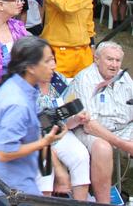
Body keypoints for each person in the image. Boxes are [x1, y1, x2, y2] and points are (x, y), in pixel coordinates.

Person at [0, 36, 66, 203]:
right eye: (47, 61)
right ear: (30, 67)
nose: (53, 66)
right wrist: (44, 142)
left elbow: (31, 125)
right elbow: (6, 151)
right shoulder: (17, 102)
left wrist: (58, 168)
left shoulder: (19, 85)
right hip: (8, 182)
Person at [67, 42, 133, 203]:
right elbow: (90, 125)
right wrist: (125, 144)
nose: (114, 65)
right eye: (110, 59)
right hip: (90, 129)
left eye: (118, 60)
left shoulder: (123, 76)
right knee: (102, 148)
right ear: (96, 59)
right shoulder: (86, 79)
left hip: (124, 126)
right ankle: (104, 202)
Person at [41, 0, 111, 78]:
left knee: (86, 92)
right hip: (60, 53)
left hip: (83, 52)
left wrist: (92, 45)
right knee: (60, 95)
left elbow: (88, 20)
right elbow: (67, 6)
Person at [36, 70, 91, 200]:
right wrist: (60, 172)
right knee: (45, 164)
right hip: (34, 136)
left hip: (60, 131)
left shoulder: (58, 80)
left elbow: (68, 117)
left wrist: (77, 118)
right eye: (46, 61)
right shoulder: (25, 84)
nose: (51, 66)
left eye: (52, 60)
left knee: (80, 156)